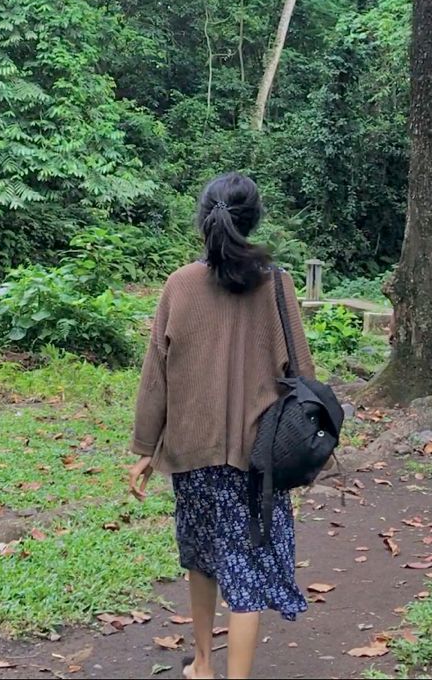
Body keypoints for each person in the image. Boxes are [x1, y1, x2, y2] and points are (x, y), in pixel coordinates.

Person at [128, 172, 315, 680]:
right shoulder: (278, 285)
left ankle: (204, 666)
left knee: (202, 557)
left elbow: (156, 375)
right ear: (254, 220)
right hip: (258, 458)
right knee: (248, 569)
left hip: (192, 452)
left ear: (203, 220)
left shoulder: (179, 285)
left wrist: (145, 448)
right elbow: (302, 374)